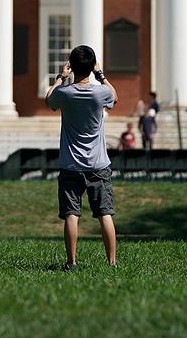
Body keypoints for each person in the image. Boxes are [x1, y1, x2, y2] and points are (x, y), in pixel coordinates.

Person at [45, 44, 118, 270]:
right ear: (92, 65)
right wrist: (100, 74)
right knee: (105, 213)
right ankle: (112, 263)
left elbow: (49, 99)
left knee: (71, 214)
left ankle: (72, 262)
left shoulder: (64, 93)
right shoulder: (101, 93)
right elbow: (114, 97)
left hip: (70, 164)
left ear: (72, 67)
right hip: (98, 163)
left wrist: (60, 77)